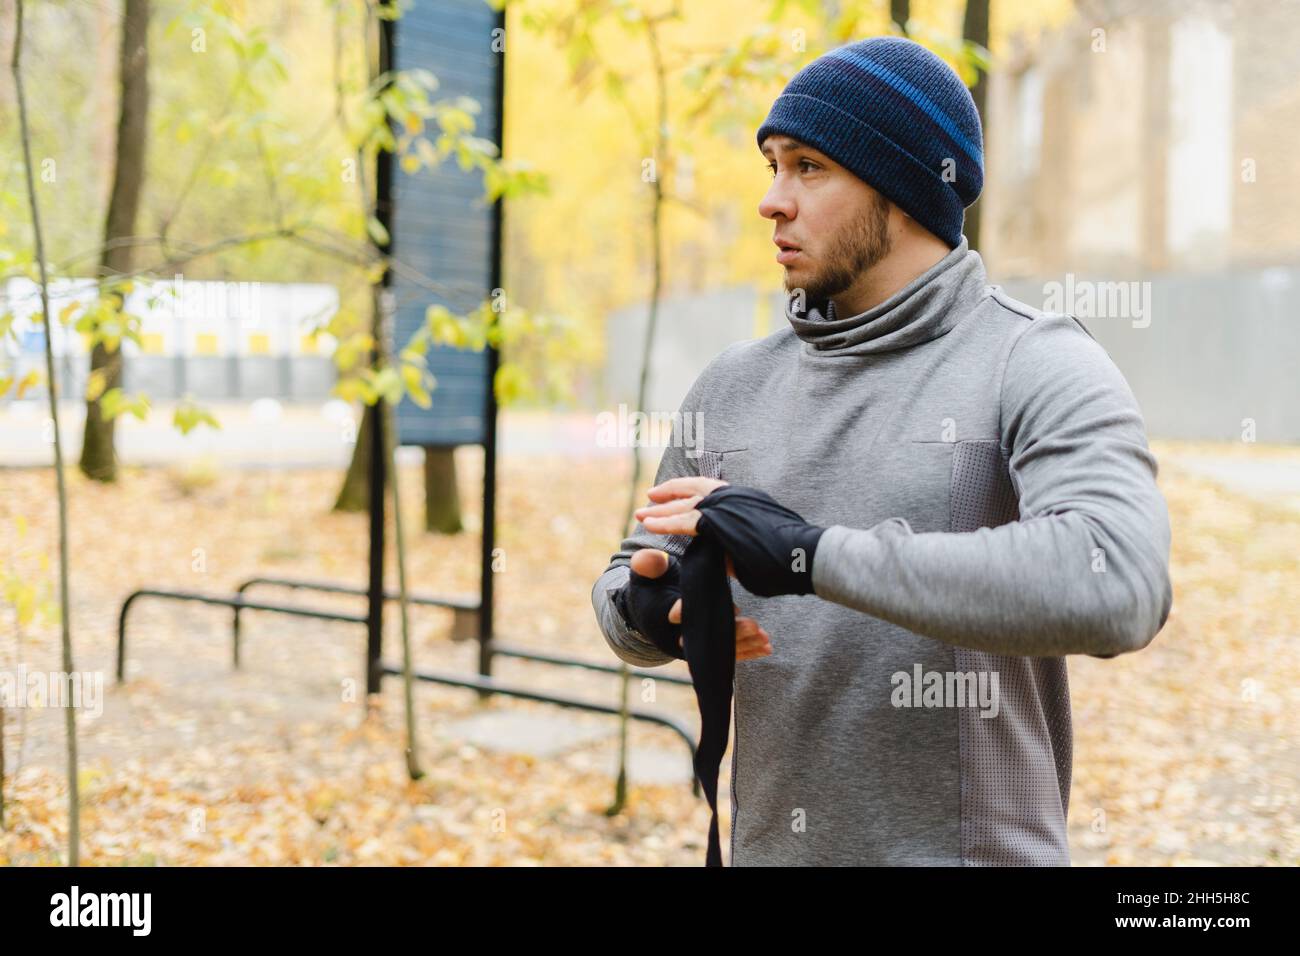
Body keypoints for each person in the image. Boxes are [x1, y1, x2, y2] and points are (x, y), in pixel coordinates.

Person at [591, 35, 1172, 866]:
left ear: (904, 190)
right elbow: (630, 570)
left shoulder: (1032, 362)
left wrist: (812, 555)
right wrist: (647, 614)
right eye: (771, 165)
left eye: (809, 167)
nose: (772, 200)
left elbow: (1120, 582)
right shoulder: (732, 387)